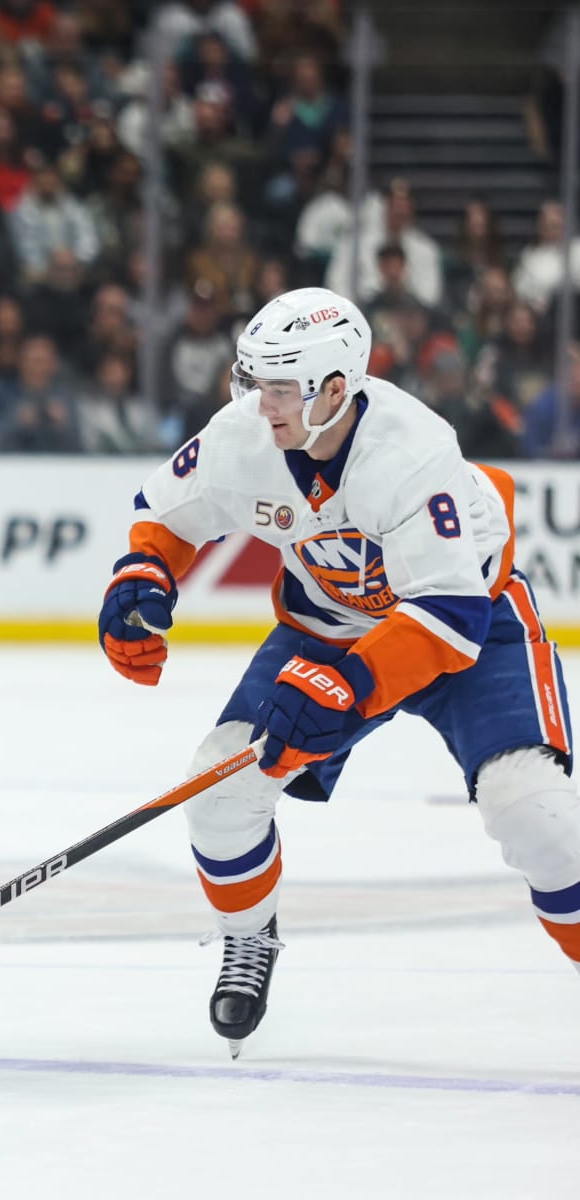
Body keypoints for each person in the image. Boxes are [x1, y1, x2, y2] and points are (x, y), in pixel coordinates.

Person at [98, 287, 580, 1059]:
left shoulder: (413, 451)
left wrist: (348, 688)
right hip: (327, 627)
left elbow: (447, 621)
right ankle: (249, 939)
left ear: (334, 388)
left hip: (468, 626)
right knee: (220, 793)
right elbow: (168, 513)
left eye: (280, 387)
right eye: (251, 382)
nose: (262, 405)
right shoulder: (244, 435)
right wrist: (141, 577)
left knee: (538, 816)